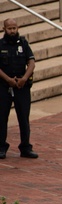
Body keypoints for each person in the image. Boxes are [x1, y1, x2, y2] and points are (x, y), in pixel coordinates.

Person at [0, 18, 37, 159]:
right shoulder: (0, 45)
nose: (12, 31)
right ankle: (1, 147)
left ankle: (25, 147)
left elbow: (31, 63)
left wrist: (24, 79)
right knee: (2, 117)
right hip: (4, 86)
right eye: (9, 28)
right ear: (4, 29)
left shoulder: (23, 43)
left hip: (22, 86)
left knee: (24, 117)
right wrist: (8, 79)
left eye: (14, 28)